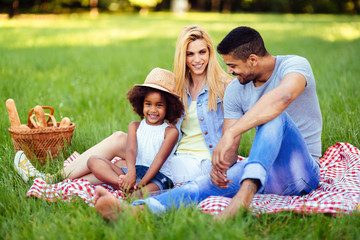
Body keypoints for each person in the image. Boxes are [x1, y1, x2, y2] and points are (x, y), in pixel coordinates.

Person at [93, 26, 322, 221]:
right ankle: (137, 212)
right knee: (202, 185)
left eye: (233, 66)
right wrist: (220, 167)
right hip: (263, 172)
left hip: (301, 170)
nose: (229, 72)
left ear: (252, 60)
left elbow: (281, 99)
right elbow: (229, 151)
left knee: (276, 115)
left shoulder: (294, 65)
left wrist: (233, 133)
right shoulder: (236, 89)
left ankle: (244, 197)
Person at [14, 25, 231, 187]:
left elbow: (256, 90)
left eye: (202, 52)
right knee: (121, 155)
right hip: (173, 155)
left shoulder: (224, 87)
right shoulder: (179, 87)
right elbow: (159, 123)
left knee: (122, 156)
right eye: (190, 54)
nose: (196, 59)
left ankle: (52, 180)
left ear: (210, 53)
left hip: (199, 163)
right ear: (182, 57)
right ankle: (56, 183)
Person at [88, 68, 183, 198]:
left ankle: (130, 190)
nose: (153, 110)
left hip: (158, 177)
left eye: (159, 105)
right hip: (135, 170)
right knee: (93, 161)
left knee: (138, 196)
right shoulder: (134, 126)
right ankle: (124, 185)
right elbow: (131, 151)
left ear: (169, 107)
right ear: (141, 103)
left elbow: (158, 160)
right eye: (148, 104)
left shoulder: (170, 132)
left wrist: (142, 183)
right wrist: (130, 174)